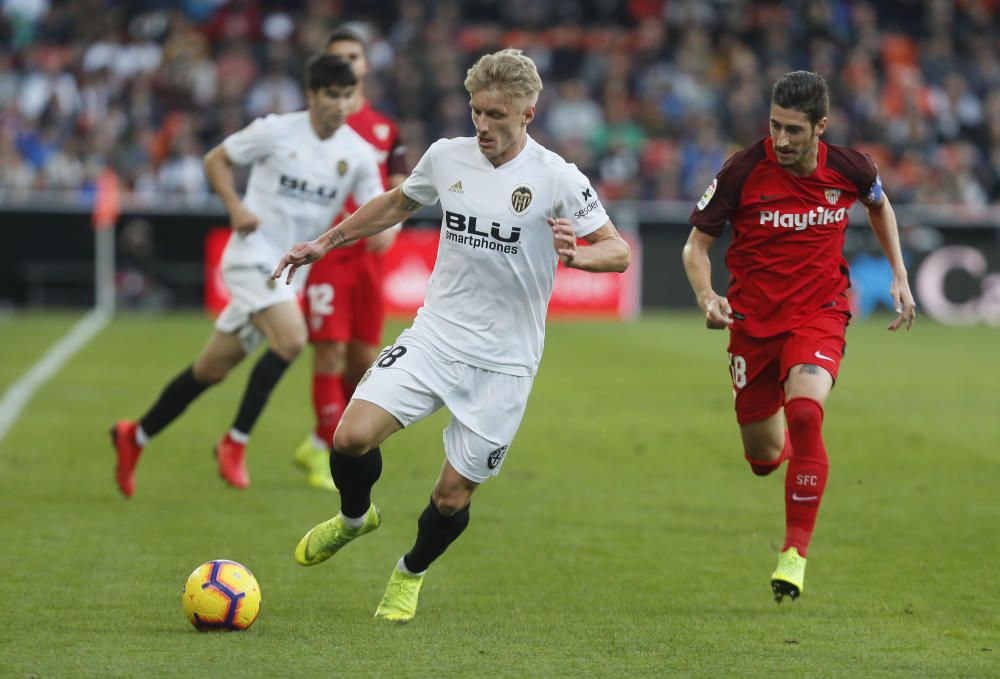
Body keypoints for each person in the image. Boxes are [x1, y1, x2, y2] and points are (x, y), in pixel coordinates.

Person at [271, 48, 630, 622]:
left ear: (528, 114)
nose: (482, 126)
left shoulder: (557, 176)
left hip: (506, 363)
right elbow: (396, 202)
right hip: (436, 335)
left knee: (450, 497)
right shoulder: (446, 157)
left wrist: (581, 258)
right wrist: (325, 242)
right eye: (476, 112)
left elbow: (619, 250)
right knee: (350, 437)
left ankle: (410, 573)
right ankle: (355, 518)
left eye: (496, 116)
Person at [681, 71, 917, 602]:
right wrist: (706, 296)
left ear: (820, 128)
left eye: (793, 129)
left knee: (807, 411)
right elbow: (695, 248)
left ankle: (794, 554)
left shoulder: (852, 168)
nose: (781, 140)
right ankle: (794, 458)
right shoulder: (742, 171)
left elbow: (879, 204)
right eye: (774, 126)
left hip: (820, 312)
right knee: (764, 459)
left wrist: (899, 273)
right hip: (753, 326)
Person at [110, 55, 386, 497]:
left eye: (347, 95)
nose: (340, 104)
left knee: (211, 369)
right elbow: (215, 159)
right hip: (252, 256)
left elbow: (378, 205)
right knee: (293, 338)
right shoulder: (275, 130)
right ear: (312, 95)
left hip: (289, 274)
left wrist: (388, 229)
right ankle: (235, 443)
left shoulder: (356, 153)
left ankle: (134, 435)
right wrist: (236, 207)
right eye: (331, 95)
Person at [294, 28, 409, 492]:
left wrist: (395, 224)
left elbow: (401, 183)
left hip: (368, 258)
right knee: (330, 351)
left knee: (362, 360)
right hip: (327, 253)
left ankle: (322, 438)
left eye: (353, 56)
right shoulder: (314, 125)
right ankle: (325, 449)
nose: (347, 63)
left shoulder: (384, 129)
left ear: (364, 65)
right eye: (337, 57)